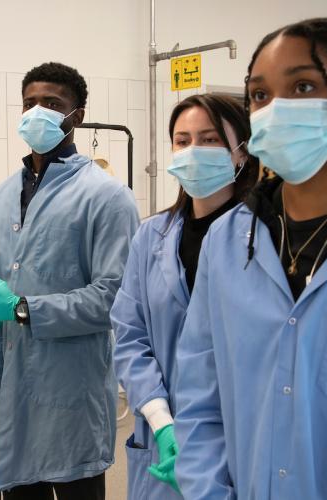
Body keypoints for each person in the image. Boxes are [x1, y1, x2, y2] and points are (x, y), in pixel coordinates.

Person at [174, 18, 327, 498]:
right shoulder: (229, 241)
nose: (275, 109)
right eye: (260, 95)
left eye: (304, 86)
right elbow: (197, 396)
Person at [0, 62, 140, 499]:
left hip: (70, 392)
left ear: (76, 116)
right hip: (12, 388)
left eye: (51, 104)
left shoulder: (106, 196)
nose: (36, 112)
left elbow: (113, 298)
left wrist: (21, 309)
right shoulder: (3, 196)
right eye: (29, 103)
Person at [111, 93, 258, 499]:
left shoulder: (261, 238)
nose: (193, 151)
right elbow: (128, 333)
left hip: (233, 432)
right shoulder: (152, 235)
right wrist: (161, 418)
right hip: (158, 429)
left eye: (210, 140)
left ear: (241, 151)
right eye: (182, 140)